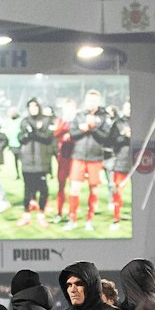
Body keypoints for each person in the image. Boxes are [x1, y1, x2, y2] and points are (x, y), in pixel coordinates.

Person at [63, 89, 112, 230]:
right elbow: (72, 134)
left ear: (98, 101)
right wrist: (82, 129)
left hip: (95, 158)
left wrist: (93, 128)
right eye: (89, 100)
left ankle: (89, 221)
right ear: (85, 101)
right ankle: (72, 220)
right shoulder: (79, 116)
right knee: (74, 189)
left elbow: (106, 138)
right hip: (78, 157)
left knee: (94, 190)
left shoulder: (104, 117)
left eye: (94, 100)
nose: (91, 103)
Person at [15, 98, 55, 227]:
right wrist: (27, 135)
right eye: (30, 107)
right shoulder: (24, 121)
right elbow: (20, 138)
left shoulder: (46, 120)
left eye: (35, 106)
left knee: (43, 190)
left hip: (41, 161)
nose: (33, 109)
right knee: (27, 190)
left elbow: (48, 138)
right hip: (27, 161)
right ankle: (26, 215)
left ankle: (41, 215)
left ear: (39, 107)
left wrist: (34, 133)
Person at [104, 103, 132, 227]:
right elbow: (111, 141)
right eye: (128, 108)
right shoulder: (118, 123)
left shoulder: (140, 122)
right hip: (122, 160)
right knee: (118, 190)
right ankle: (116, 219)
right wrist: (124, 136)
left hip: (139, 161)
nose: (129, 110)